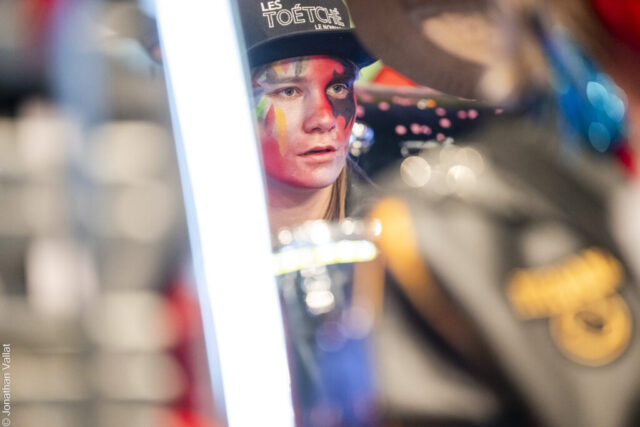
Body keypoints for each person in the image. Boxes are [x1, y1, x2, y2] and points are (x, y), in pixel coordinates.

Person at [237, 0, 375, 233]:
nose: (324, 120)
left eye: (338, 87)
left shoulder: (397, 240)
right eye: (288, 91)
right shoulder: (180, 230)